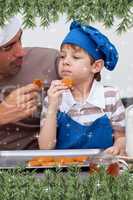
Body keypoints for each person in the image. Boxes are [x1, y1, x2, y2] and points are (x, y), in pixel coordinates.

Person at [39, 21, 125, 155]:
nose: (65, 61)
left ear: (96, 66)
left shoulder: (110, 97)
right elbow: (45, 148)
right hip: (63, 171)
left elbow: (121, 137)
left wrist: (118, 147)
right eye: (62, 56)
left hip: (100, 169)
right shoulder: (54, 98)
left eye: (75, 57)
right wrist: (52, 106)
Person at [0, 16, 58, 150]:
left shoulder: (50, 62)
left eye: (20, 38)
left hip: (45, 166)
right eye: (8, 47)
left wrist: (118, 138)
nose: (21, 52)